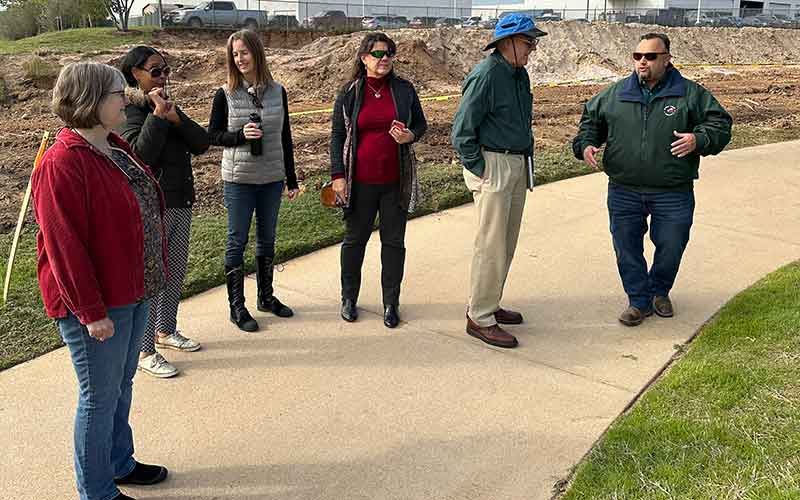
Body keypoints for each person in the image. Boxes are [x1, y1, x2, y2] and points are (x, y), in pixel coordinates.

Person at [32, 61, 168, 500]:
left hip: (131, 289)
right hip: (97, 303)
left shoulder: (112, 145)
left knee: (120, 385)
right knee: (98, 396)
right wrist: (90, 313)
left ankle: (118, 462)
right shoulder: (62, 163)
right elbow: (63, 246)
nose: (126, 96)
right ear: (90, 99)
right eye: (116, 91)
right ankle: (97, 491)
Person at [573, 33, 732, 326]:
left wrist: (698, 139)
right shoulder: (616, 93)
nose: (642, 61)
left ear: (667, 59)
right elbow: (590, 122)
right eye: (637, 56)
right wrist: (586, 144)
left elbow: (720, 124)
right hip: (624, 189)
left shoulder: (689, 93)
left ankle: (660, 291)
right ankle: (638, 301)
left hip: (672, 190)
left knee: (672, 244)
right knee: (626, 247)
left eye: (650, 56)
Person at [451, 13, 546, 348]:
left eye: (533, 41)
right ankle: (480, 318)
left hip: (516, 163)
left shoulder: (519, 75)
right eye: (528, 41)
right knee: (490, 245)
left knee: (505, 241)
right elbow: (462, 131)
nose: (533, 47)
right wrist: (482, 169)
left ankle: (488, 303)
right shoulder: (486, 75)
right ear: (507, 42)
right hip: (494, 163)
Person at [119, 45, 210, 378]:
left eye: (166, 69)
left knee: (174, 271)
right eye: (155, 70)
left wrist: (175, 117)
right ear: (135, 74)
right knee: (151, 277)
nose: (163, 76)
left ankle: (166, 329)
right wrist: (158, 118)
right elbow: (139, 157)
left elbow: (201, 143)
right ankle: (145, 349)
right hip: (152, 208)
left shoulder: (168, 107)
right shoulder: (128, 111)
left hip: (180, 201)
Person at [330, 32, 427, 328]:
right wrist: (338, 176)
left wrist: (411, 135)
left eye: (389, 54)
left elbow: (421, 124)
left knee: (394, 243)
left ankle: (390, 303)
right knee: (354, 241)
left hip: (395, 181)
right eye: (377, 54)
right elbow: (337, 136)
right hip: (359, 182)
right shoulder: (350, 92)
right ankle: (348, 298)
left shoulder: (404, 90)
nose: (384, 59)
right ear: (364, 58)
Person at [208, 29, 299, 332]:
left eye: (244, 52)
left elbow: (285, 137)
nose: (239, 58)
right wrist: (238, 136)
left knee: (267, 237)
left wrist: (292, 179)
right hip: (239, 179)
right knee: (237, 240)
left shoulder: (278, 91)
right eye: (235, 54)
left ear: (257, 53)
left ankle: (266, 297)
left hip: (272, 178)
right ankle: (237, 307)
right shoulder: (225, 93)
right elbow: (213, 135)